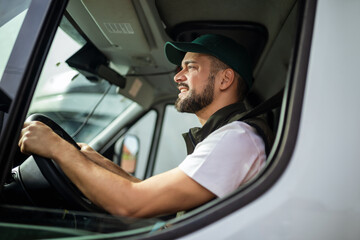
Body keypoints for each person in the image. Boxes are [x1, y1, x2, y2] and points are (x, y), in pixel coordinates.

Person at [18, 34, 267, 218]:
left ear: (225, 79)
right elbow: (146, 191)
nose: (177, 77)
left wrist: (58, 150)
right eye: (180, 68)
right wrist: (97, 161)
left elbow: (133, 203)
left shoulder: (235, 139)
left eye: (190, 67)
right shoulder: (225, 137)